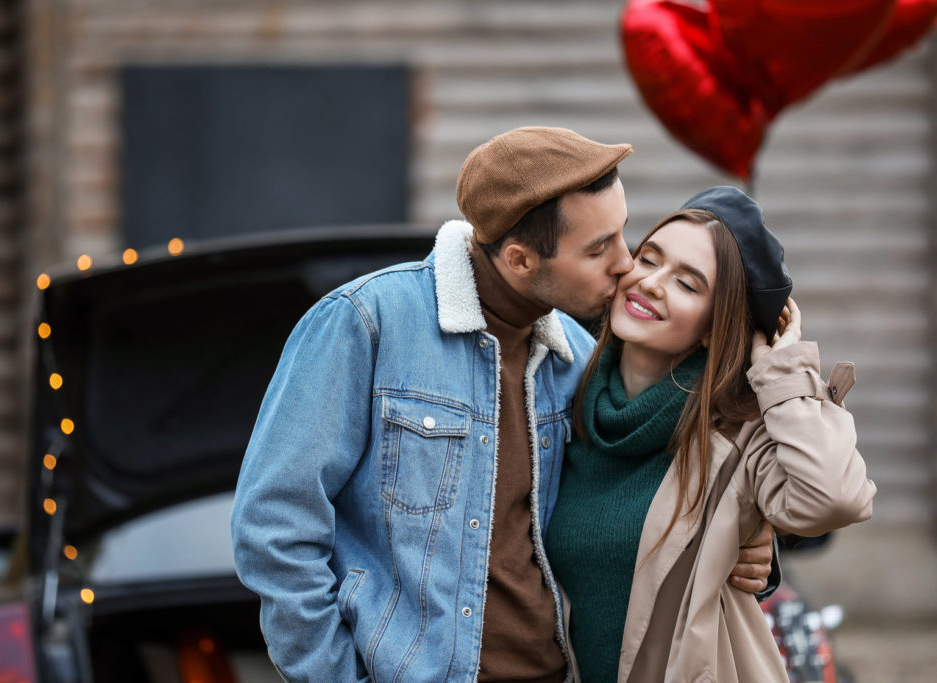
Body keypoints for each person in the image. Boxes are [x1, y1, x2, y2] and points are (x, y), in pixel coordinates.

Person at [230, 128, 774, 682]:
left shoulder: (581, 358)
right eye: (597, 248)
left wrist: (752, 539)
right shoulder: (366, 324)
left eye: (622, 234)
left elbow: (661, 491)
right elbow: (274, 527)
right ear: (519, 260)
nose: (626, 263)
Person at [545, 186, 877, 682]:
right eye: (649, 258)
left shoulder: (738, 430)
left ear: (712, 325)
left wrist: (784, 372)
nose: (652, 283)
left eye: (687, 284)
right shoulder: (561, 396)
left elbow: (831, 499)